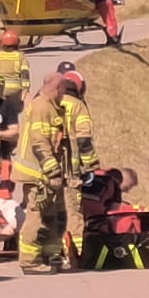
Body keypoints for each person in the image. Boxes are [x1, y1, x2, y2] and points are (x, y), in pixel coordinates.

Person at [15, 73, 70, 273]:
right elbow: (40, 142)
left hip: (43, 173)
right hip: (37, 174)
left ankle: (51, 256)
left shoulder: (48, 106)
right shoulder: (41, 107)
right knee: (36, 215)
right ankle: (29, 261)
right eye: (63, 90)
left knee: (51, 216)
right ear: (57, 88)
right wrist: (53, 171)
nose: (64, 95)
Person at [55, 67, 99, 262]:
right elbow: (84, 140)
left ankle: (51, 252)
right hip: (70, 171)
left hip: (46, 168)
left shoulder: (48, 102)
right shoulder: (78, 106)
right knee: (73, 212)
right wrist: (90, 166)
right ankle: (77, 254)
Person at [0, 29, 30, 107]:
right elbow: (25, 74)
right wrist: (26, 90)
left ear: (1, 43)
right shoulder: (21, 56)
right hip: (15, 90)